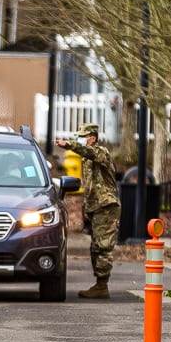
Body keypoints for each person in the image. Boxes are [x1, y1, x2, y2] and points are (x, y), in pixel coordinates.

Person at [56, 123, 120, 299]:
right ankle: (99, 284)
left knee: (103, 246)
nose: (80, 140)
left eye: (82, 137)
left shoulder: (101, 153)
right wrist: (86, 209)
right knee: (95, 247)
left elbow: (90, 152)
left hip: (107, 206)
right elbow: (90, 187)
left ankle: (102, 286)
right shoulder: (86, 160)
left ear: (92, 137)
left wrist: (69, 145)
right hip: (96, 207)